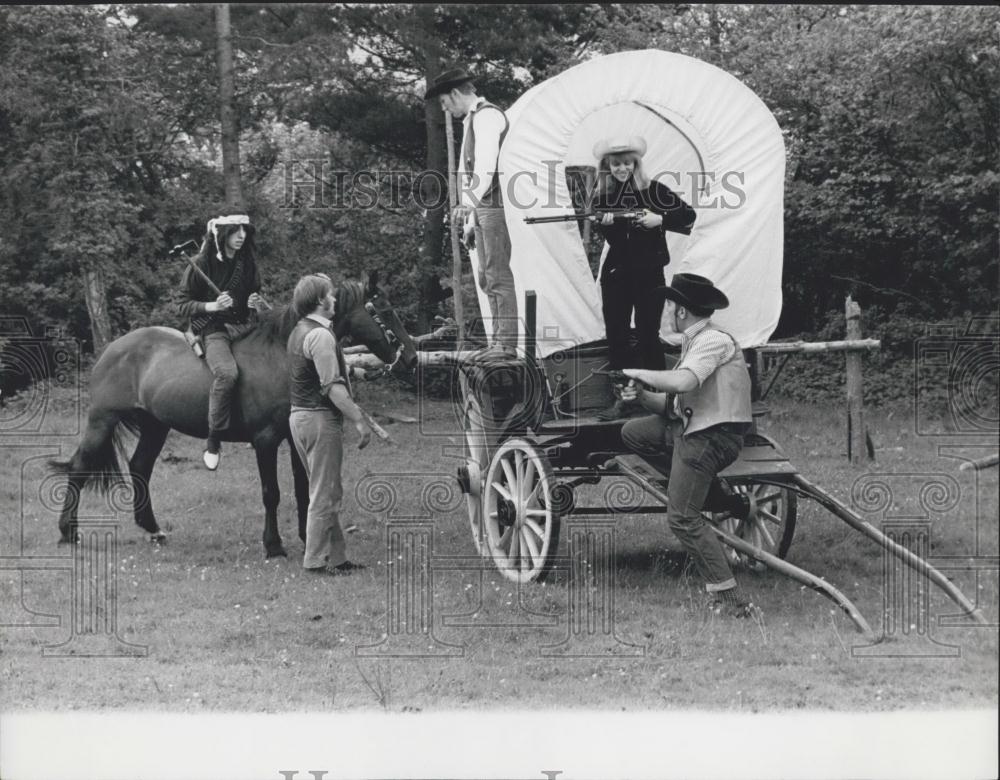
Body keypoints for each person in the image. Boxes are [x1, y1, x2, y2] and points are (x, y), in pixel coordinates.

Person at [619, 273, 756, 618]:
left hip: (712, 437)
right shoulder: (695, 341)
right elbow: (673, 406)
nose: (665, 311)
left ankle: (729, 598)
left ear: (681, 310)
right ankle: (704, 490)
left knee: (681, 518)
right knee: (634, 433)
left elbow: (684, 381)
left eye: (668, 304)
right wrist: (640, 395)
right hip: (693, 430)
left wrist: (641, 372)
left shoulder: (712, 340)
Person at [591, 136, 696, 420]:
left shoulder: (655, 191)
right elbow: (614, 238)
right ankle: (624, 399)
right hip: (617, 274)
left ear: (636, 163)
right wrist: (606, 225)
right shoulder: (603, 197)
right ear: (607, 166)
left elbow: (689, 216)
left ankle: (659, 399)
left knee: (649, 334)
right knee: (618, 335)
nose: (622, 168)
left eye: (627, 163)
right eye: (616, 164)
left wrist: (658, 219)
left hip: (649, 272)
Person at [425, 67, 517, 360]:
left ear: (454, 93)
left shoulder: (488, 115)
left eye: (444, 102)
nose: (445, 109)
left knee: (497, 274)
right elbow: (470, 171)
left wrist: (469, 203)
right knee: (486, 276)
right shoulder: (473, 119)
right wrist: (469, 221)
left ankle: (506, 344)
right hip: (482, 207)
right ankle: (498, 341)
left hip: (493, 203)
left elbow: (486, 164)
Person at [286, 273, 372, 576]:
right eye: (330, 294)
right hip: (319, 419)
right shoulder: (321, 335)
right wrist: (359, 420)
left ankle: (337, 558)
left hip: (300, 416)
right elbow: (332, 387)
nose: (334, 299)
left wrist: (356, 373)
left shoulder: (300, 330)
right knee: (324, 492)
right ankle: (313, 561)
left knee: (326, 489)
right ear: (320, 301)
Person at [177, 213, 266, 470]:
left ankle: (256, 425)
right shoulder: (200, 263)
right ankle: (213, 439)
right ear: (222, 233)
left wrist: (255, 303)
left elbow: (255, 293)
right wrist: (212, 305)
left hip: (245, 326)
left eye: (244, 231)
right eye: (236, 230)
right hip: (212, 329)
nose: (242, 236)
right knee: (227, 374)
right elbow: (182, 305)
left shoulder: (247, 262)